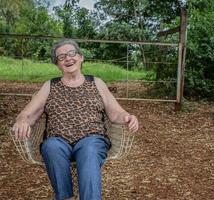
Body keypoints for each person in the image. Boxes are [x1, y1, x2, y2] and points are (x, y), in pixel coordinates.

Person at [12, 39, 139, 200]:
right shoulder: (50, 85)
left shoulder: (96, 83)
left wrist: (128, 117)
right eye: (61, 56)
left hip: (92, 139)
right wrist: (22, 120)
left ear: (81, 57)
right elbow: (28, 113)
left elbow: (116, 113)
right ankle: (64, 197)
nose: (68, 58)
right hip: (58, 141)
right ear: (57, 64)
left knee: (89, 150)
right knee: (51, 146)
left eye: (72, 54)